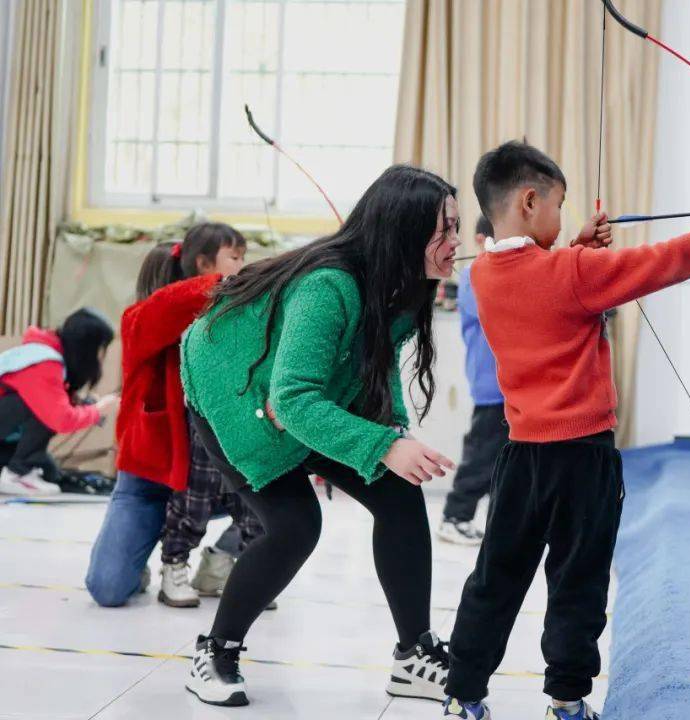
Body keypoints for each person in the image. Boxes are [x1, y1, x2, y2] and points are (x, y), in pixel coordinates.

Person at [441, 141, 690, 720]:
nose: (561, 217)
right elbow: (664, 261)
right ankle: (566, 703)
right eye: (557, 205)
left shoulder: (483, 276)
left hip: (520, 458)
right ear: (529, 201)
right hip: (583, 459)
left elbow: (538, 282)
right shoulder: (573, 273)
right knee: (579, 582)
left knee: (494, 579)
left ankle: (463, 695)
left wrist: (574, 247)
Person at [180, 165, 461, 708]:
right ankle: (215, 651)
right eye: (443, 230)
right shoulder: (327, 287)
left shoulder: (404, 287)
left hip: (304, 396)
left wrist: (392, 431)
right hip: (233, 393)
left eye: (456, 227)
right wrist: (384, 446)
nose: (455, 242)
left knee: (399, 495)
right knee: (295, 526)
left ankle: (414, 656)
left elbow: (377, 366)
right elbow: (292, 401)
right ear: (403, 232)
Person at [85, 223, 252, 608]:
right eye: (234, 258)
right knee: (108, 587)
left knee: (274, 511)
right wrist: (225, 280)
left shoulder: (222, 325)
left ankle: (218, 560)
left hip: (205, 480)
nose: (242, 267)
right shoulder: (140, 319)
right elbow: (170, 306)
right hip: (149, 482)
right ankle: (140, 561)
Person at [437, 215, 507, 546]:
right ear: (481, 240)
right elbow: (498, 311)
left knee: (507, 463)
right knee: (482, 456)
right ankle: (455, 517)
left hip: (514, 387)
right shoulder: (472, 275)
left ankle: (501, 524)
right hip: (491, 386)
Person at [0, 309, 117, 495]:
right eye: (100, 348)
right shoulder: (44, 363)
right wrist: (98, 410)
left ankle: (19, 471)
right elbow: (61, 419)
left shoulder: (46, 354)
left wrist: (80, 404)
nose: (101, 356)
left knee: (50, 473)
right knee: (42, 407)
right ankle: (17, 474)